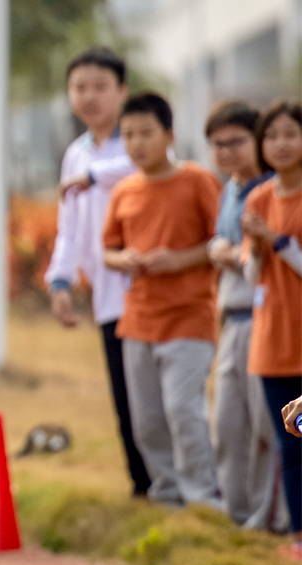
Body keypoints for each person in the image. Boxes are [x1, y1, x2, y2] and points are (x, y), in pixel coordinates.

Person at [102, 93, 224, 510]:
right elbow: (108, 250)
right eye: (128, 135)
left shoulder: (197, 181)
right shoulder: (123, 191)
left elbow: (222, 242)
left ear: (169, 135)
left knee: (183, 410)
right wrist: (124, 260)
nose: (136, 143)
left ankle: (202, 497)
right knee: (148, 419)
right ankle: (167, 494)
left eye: (146, 133)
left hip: (189, 315)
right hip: (138, 320)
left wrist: (179, 261)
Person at [44, 47, 149, 498]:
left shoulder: (138, 143)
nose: (89, 97)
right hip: (107, 294)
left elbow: (148, 166)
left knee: (157, 397)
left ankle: (177, 486)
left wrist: (93, 175)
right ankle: (141, 484)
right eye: (79, 87)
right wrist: (60, 280)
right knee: (124, 394)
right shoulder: (75, 154)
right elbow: (68, 229)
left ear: (121, 91)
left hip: (148, 287)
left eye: (100, 87)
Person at [203, 101, 281, 531]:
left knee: (265, 426)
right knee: (227, 423)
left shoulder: (272, 190)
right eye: (218, 144)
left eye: (237, 141)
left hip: (264, 314)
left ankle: (269, 516)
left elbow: (260, 257)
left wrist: (229, 254)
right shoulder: (228, 190)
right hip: (231, 315)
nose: (227, 151)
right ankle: (237, 514)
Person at [250, 101, 302, 560]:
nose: (280, 144)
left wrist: (275, 240)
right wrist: (249, 248)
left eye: (290, 133)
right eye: (270, 135)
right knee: (290, 441)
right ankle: (298, 534)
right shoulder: (258, 198)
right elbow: (251, 276)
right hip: (272, 337)